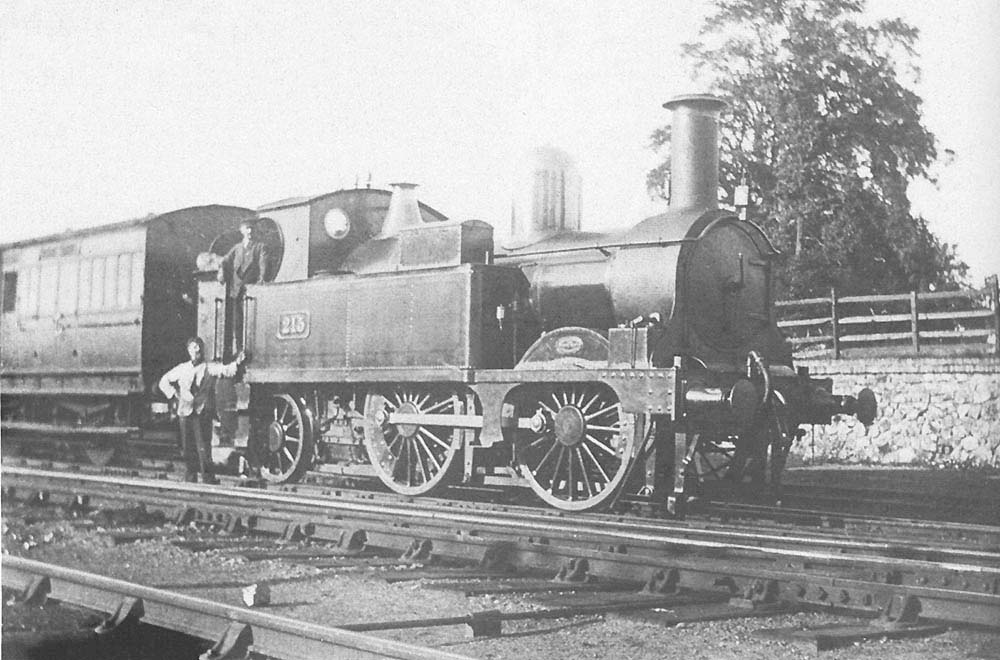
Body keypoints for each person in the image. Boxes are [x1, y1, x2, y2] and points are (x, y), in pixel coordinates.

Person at [158, 337, 243, 483]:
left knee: (203, 447)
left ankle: (208, 477)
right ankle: (190, 477)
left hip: (201, 412)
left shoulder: (209, 367)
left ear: (202, 350)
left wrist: (238, 362)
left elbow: (226, 371)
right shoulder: (182, 368)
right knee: (187, 447)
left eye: (198, 347)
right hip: (184, 411)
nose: (195, 350)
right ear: (188, 350)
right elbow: (163, 381)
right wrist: (174, 395)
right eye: (192, 347)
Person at [218, 217, 269, 353]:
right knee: (237, 321)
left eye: (252, 228)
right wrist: (221, 270)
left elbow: (263, 265)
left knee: (250, 321)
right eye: (247, 228)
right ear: (242, 231)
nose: (250, 231)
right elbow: (224, 260)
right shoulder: (237, 248)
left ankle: (248, 350)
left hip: (250, 290)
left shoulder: (260, 247)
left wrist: (261, 280)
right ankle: (238, 349)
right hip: (236, 289)